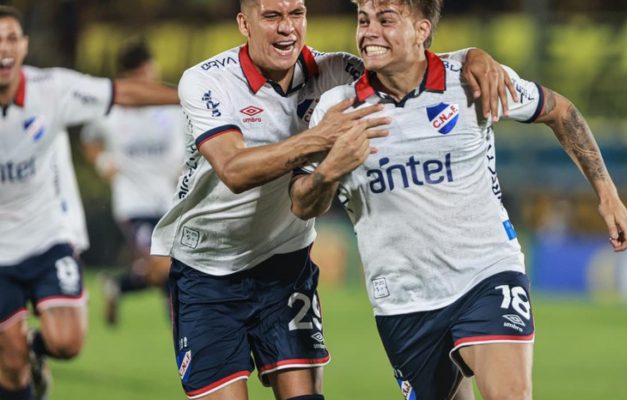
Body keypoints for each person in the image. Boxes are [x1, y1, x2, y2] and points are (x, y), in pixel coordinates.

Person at [150, 1, 514, 399]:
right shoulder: (206, 81)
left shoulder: (335, 71)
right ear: (244, 23)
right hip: (208, 270)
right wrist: (319, 138)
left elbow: (412, 55)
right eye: (272, 17)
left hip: (284, 263)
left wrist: (474, 57)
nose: (287, 28)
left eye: (296, 14)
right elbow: (235, 170)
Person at [289, 1, 627, 399]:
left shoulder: (469, 80)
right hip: (403, 301)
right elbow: (300, 204)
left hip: (486, 273)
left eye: (386, 20)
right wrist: (331, 169)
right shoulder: (337, 109)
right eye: (363, 20)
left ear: (421, 30)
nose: (369, 32)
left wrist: (607, 194)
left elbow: (559, 110)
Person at [0, 6, 179, 400]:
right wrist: (103, 161)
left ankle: (115, 291)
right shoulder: (111, 124)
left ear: (25, 46)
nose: (4, 49)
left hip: (49, 234)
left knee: (67, 343)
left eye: (11, 38)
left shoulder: (52, 90)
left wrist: (188, 95)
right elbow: (96, 135)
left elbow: (121, 93)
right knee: (10, 366)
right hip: (4, 248)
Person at [81, 41, 185, 326]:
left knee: (163, 269)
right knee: (165, 266)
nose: (147, 79)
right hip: (133, 202)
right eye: (141, 73)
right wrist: (103, 162)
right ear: (128, 76)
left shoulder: (171, 107)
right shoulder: (112, 111)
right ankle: (183, 330)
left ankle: (119, 286)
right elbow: (89, 137)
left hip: (170, 200)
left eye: (150, 71)